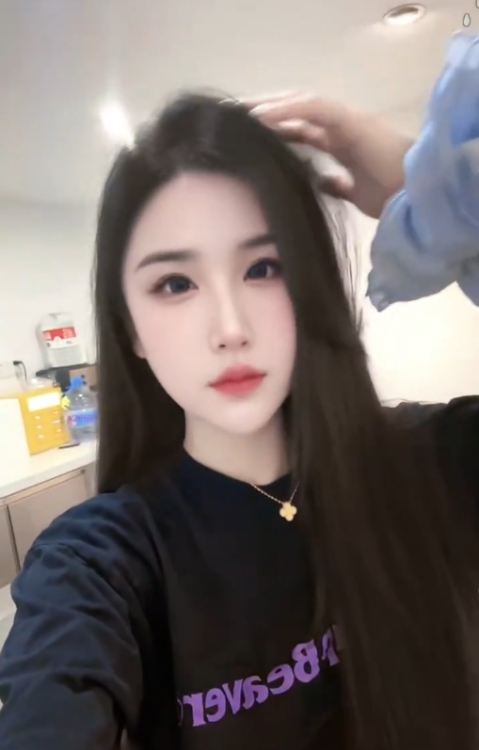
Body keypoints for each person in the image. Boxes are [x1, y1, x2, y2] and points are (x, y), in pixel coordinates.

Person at [0, 91, 479, 750]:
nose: (229, 328)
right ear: (130, 328)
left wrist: (435, 190)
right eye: (175, 283)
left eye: (263, 268)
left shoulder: (430, 463)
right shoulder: (102, 563)